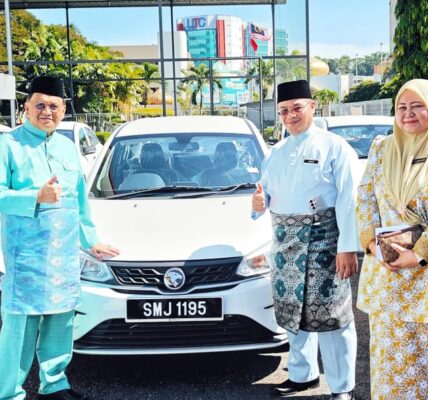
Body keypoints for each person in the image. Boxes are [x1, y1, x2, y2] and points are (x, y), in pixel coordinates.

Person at [0, 76, 119, 400]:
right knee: (20, 327)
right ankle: (9, 392)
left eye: (53, 106)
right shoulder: (8, 145)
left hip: (63, 255)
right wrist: (35, 196)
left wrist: (90, 240)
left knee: (60, 321)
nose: (46, 111)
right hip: (25, 256)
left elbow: (79, 201)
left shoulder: (67, 147)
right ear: (26, 108)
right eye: (39, 104)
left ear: (64, 110)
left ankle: (54, 385)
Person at [252, 80, 359, 400]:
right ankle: (302, 375)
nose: (291, 115)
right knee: (293, 314)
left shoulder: (335, 147)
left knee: (332, 316)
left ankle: (342, 387)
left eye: (297, 108)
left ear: (312, 106)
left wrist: (347, 248)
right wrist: (257, 205)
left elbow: (349, 200)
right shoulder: (276, 152)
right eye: (284, 110)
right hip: (285, 244)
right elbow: (265, 195)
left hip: (324, 240)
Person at [356, 79, 428, 400]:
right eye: (402, 107)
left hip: (424, 280)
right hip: (388, 278)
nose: (408, 113)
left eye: (418, 106)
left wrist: (418, 254)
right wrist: (373, 244)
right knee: (390, 373)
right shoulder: (381, 149)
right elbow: (365, 198)